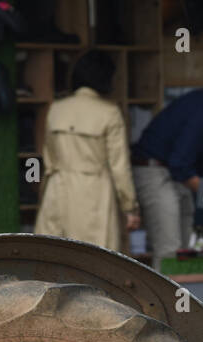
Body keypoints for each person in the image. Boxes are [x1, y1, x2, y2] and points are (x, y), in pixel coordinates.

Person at [34, 50, 139, 249]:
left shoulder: (56, 109)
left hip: (57, 192)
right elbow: (119, 167)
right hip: (95, 194)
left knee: (52, 258)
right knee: (96, 262)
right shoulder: (110, 112)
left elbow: (48, 160)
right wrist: (130, 207)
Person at [131, 87, 203, 271]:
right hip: (152, 168)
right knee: (169, 249)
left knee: (183, 251)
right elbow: (180, 164)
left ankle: (181, 299)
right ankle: (163, 300)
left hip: (175, 172)